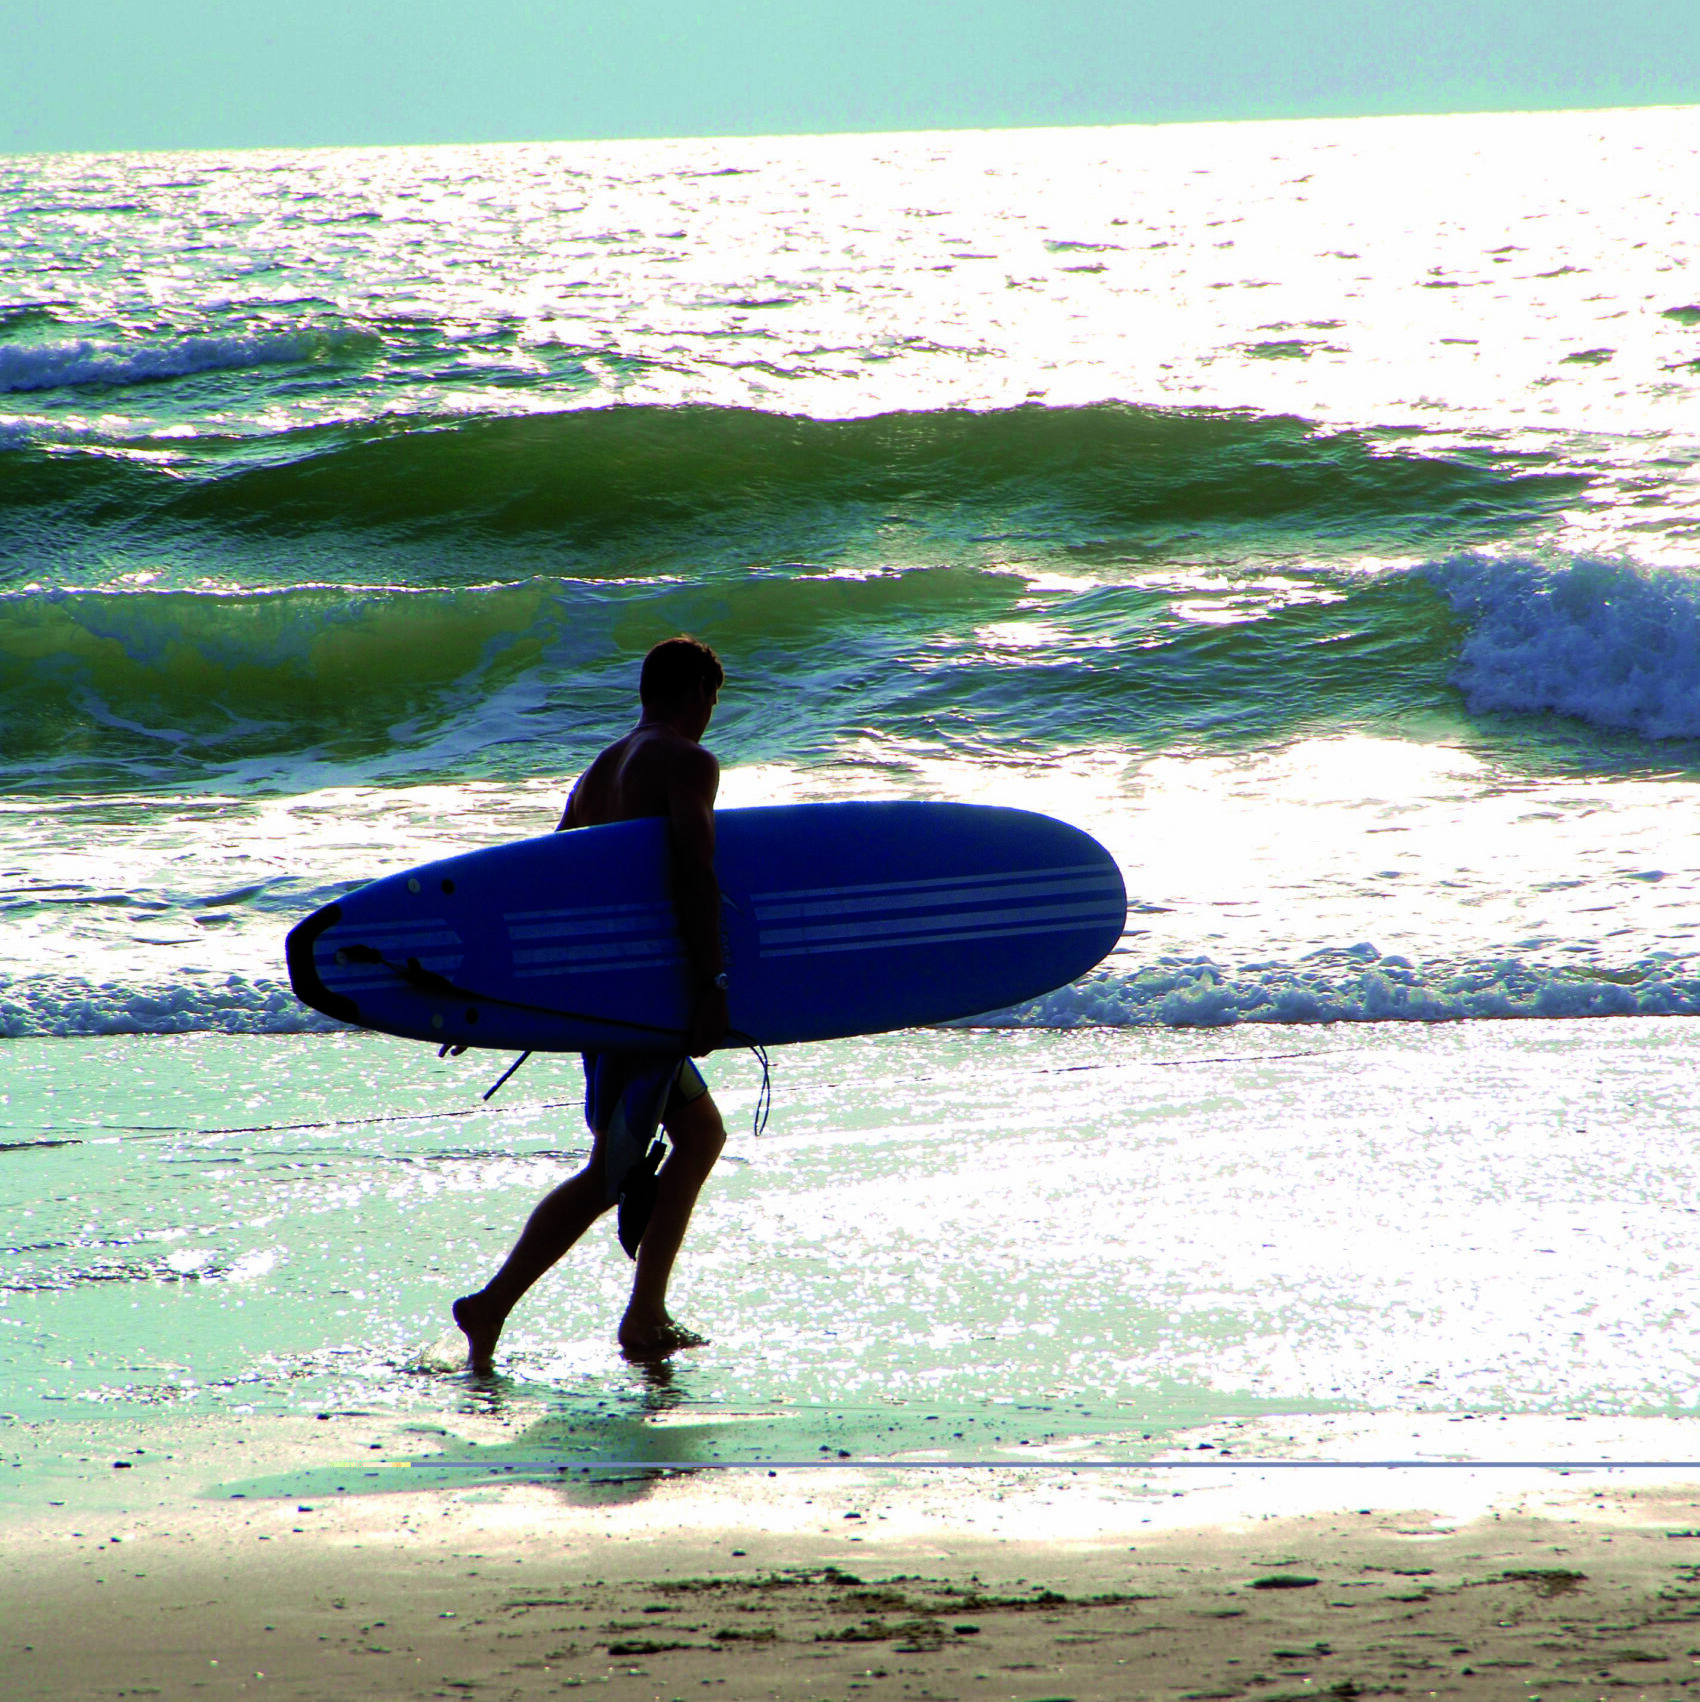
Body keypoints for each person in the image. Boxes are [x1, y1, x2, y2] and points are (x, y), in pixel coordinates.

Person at [453, 636, 731, 1368]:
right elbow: (694, 875)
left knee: (699, 1137)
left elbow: (546, 892)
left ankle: (646, 1313)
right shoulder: (688, 763)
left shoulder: (595, 774)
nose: (711, 714)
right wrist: (713, 985)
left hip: (605, 1002)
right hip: (647, 1005)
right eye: (712, 697)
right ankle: (491, 1305)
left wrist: (492, 992)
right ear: (696, 689)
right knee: (610, 1172)